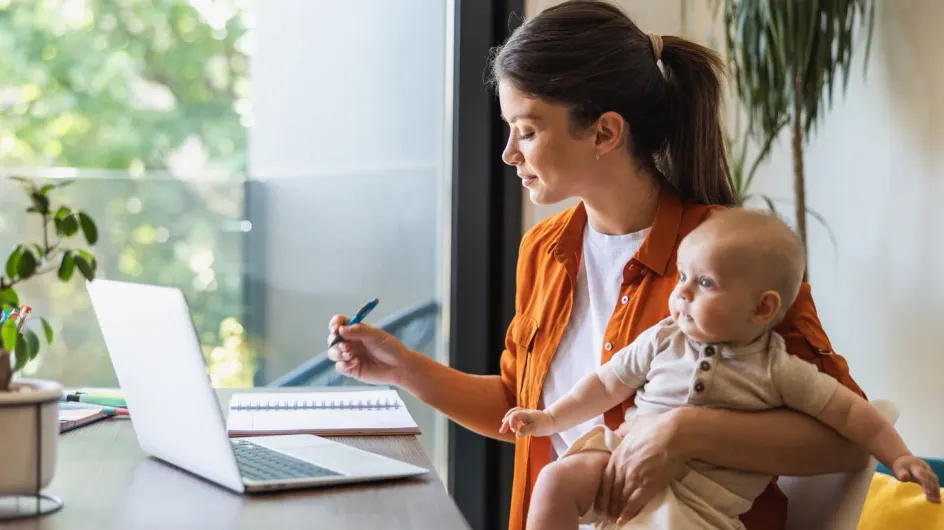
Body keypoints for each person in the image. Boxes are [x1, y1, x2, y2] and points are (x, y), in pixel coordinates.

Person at [326, 1, 873, 529]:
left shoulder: (730, 254)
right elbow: (525, 404)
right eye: (510, 128)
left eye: (529, 130)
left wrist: (686, 430)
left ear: (606, 133)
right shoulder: (544, 250)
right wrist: (401, 368)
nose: (509, 153)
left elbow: (850, 436)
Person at [500, 209, 940, 530]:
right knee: (556, 481)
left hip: (701, 509)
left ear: (762, 307)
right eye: (683, 277)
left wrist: (899, 456)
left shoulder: (778, 369)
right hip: (620, 459)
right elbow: (605, 382)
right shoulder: (664, 337)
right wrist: (551, 418)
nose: (684, 293)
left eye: (705, 283)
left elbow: (850, 413)